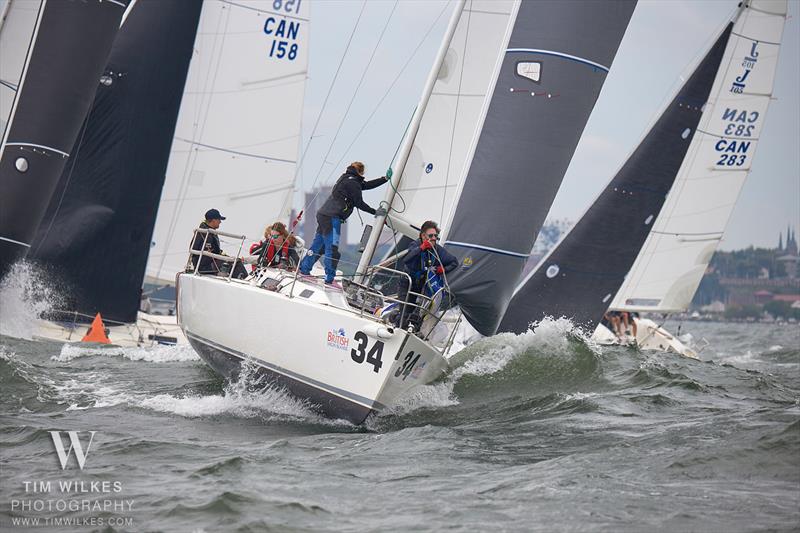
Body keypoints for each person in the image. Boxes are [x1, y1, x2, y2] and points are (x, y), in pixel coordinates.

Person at [299, 162, 389, 285]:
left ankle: (304, 269)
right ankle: (329, 278)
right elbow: (359, 203)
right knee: (332, 247)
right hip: (332, 217)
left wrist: (384, 179)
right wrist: (375, 211)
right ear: (361, 172)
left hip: (324, 215)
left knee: (319, 244)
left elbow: (366, 185)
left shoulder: (347, 178)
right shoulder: (353, 183)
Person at [396, 221, 458, 329]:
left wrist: (442, 269)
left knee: (418, 316)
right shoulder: (415, 245)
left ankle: (412, 333)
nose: (434, 238)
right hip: (407, 283)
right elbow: (406, 259)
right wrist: (421, 248)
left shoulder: (437, 250)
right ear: (423, 236)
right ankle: (396, 324)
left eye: (435, 236)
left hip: (423, 285)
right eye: (431, 236)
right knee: (405, 312)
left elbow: (454, 262)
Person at [190, 208, 247, 278]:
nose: (220, 222)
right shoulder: (204, 233)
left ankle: (241, 280)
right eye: (219, 220)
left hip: (209, 264)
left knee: (235, 261)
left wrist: (225, 257)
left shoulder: (208, 232)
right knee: (236, 263)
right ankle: (244, 281)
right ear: (213, 221)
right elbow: (193, 250)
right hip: (205, 267)